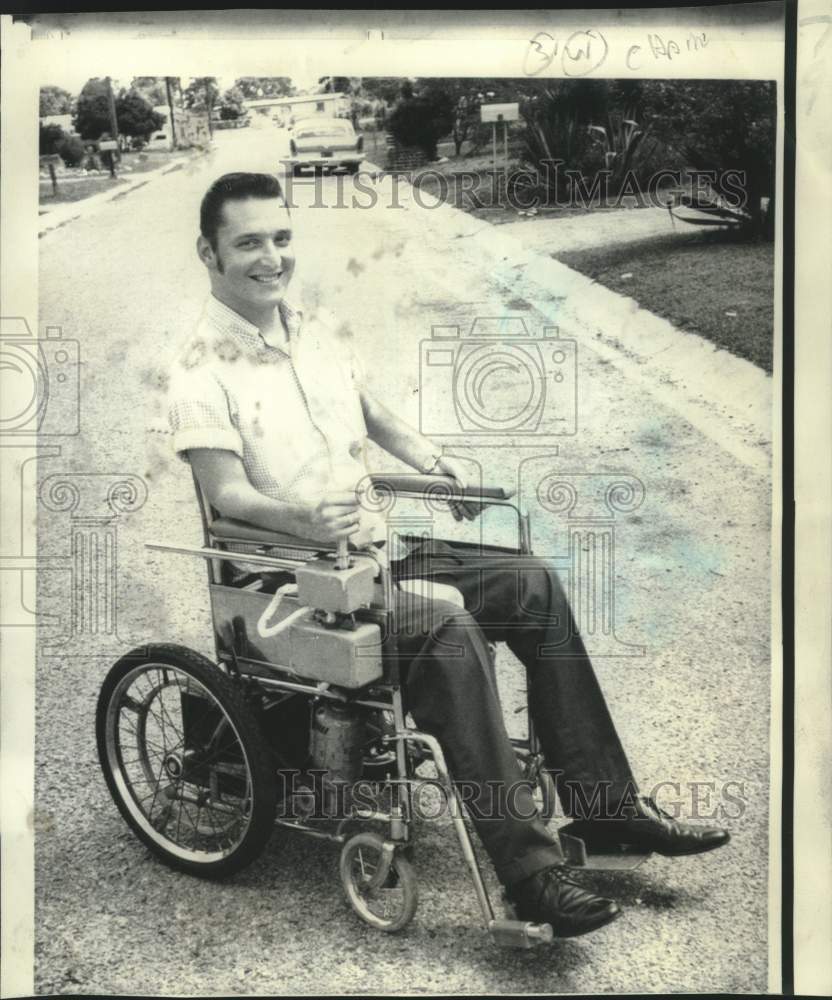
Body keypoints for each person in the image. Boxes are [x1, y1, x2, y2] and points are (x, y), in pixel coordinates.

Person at [167, 172, 729, 939]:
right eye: (250, 243)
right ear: (209, 251)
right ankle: (532, 876)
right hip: (292, 583)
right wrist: (298, 515)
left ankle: (606, 811)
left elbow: (364, 406)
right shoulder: (200, 363)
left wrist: (431, 458)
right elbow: (226, 493)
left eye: (282, 237)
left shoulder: (312, 326)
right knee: (443, 627)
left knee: (530, 583)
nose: (272, 257)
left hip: (374, 553)